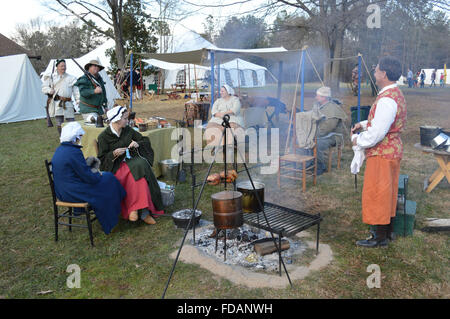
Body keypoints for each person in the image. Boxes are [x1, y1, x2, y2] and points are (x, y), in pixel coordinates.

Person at [351, 56, 407, 248]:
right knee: (388, 192)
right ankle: (387, 232)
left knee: (377, 193)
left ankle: (379, 237)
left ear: (383, 74)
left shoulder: (387, 100)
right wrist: (363, 123)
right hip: (391, 151)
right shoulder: (392, 94)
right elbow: (383, 123)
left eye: (376, 70)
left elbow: (376, 133)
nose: (374, 73)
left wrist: (358, 139)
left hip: (382, 153)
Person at [51, 122, 126, 234]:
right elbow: (89, 178)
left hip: (62, 191)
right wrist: (98, 174)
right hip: (72, 192)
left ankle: (116, 209)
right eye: (80, 136)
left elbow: (75, 171)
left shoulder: (60, 149)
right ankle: (113, 214)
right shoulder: (73, 151)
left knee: (107, 179)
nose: (81, 138)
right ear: (75, 137)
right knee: (109, 179)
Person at [97, 106, 164, 225]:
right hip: (115, 167)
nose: (127, 121)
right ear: (116, 120)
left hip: (132, 163)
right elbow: (102, 160)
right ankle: (141, 212)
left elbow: (145, 140)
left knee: (140, 177)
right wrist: (113, 153)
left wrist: (137, 143)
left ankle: (138, 211)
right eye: (124, 118)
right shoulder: (104, 137)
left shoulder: (127, 130)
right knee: (139, 173)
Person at [312, 87, 348, 175]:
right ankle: (310, 163)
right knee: (305, 140)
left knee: (317, 144)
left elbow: (329, 127)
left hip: (333, 136)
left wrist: (315, 135)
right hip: (321, 132)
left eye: (318, 96)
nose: (316, 97)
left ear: (324, 97)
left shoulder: (333, 109)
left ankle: (320, 167)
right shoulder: (319, 105)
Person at [42, 59, 79, 136]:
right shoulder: (51, 77)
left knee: (71, 122)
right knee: (59, 123)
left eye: (64, 66)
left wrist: (78, 100)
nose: (63, 67)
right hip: (57, 103)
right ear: (57, 67)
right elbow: (44, 88)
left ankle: (72, 139)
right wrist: (49, 90)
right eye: (61, 66)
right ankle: (62, 138)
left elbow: (76, 91)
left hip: (68, 103)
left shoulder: (71, 78)